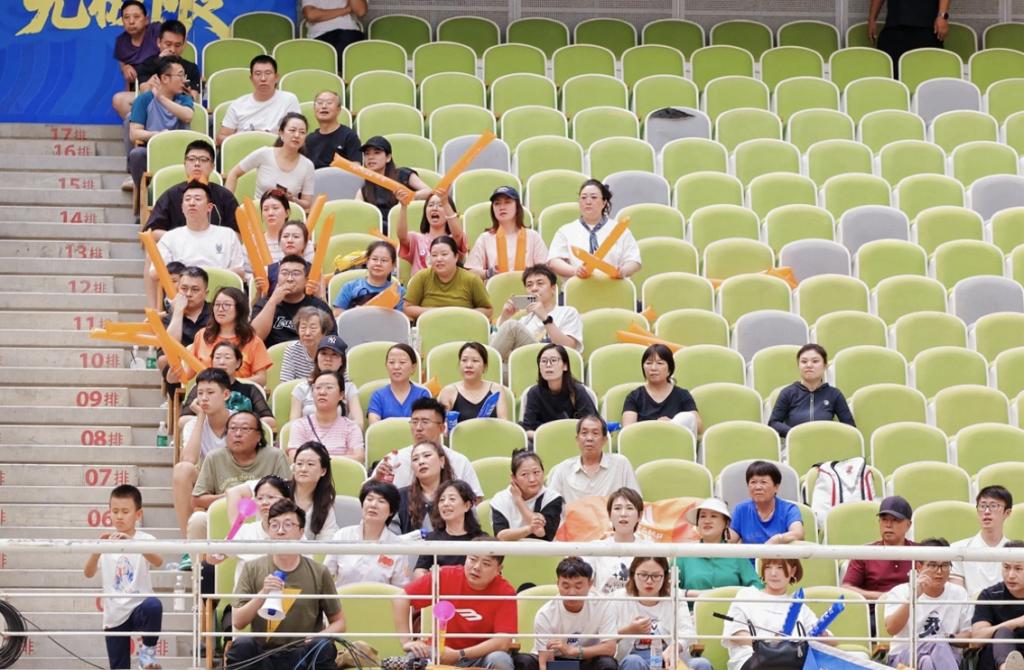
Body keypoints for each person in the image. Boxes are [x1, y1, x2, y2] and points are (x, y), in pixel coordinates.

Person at [228, 499, 345, 670]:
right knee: (242, 645)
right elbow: (238, 622)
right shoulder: (252, 568)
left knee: (323, 646)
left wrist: (319, 636)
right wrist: (263, 593)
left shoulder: (319, 572)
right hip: (263, 654)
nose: (280, 531)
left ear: (301, 531)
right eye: (274, 525)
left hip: (302, 653)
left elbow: (339, 622)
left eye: (288, 525)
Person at [395, 542, 516, 670]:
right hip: (438, 651)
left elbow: (502, 642)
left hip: (481, 655)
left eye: (486, 564)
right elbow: (401, 598)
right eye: (472, 559)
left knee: (500, 660)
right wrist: (406, 642)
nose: (476, 567)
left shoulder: (506, 591)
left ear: (499, 569)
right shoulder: (445, 575)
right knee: (413, 657)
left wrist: (459, 654)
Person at [83, 484, 164, 670]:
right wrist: (97, 550)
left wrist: (133, 544)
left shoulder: (145, 539)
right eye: (115, 511)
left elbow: (159, 561)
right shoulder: (106, 541)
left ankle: (147, 654)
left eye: (125, 511)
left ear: (138, 514)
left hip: (139, 607)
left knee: (153, 605)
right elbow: (88, 573)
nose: (119, 516)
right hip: (114, 614)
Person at [187, 410, 291, 544]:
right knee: (198, 519)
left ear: (258, 436)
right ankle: (200, 558)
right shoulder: (214, 457)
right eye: (232, 429)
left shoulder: (275, 456)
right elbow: (197, 499)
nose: (237, 434)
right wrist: (230, 498)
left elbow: (289, 494)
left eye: (245, 429)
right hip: (223, 516)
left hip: (267, 518)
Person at [150, 180, 244, 309]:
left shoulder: (228, 235)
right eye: (187, 199)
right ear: (182, 208)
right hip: (182, 302)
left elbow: (239, 272)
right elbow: (155, 273)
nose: (192, 203)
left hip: (219, 302)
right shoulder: (170, 237)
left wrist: (211, 278)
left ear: (209, 207)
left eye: (198, 199)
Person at [724, 558, 832, 670]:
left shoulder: (798, 605)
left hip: (791, 664)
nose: (773, 573)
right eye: (768, 567)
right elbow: (736, 634)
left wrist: (822, 636)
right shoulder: (746, 595)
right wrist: (770, 644)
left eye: (780, 568)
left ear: (793, 571)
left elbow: (831, 641)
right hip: (753, 662)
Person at [883, 538, 973, 669]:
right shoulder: (901, 591)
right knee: (936, 643)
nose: (939, 571)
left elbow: (968, 636)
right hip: (904, 654)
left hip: (948, 656)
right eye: (932, 565)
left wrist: (946, 638)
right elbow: (891, 629)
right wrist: (913, 596)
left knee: (927, 661)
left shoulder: (959, 593)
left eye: (945, 565)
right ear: (919, 567)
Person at [226, 441, 339, 542]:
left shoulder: (324, 505)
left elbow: (327, 544)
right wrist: (238, 533)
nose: (303, 469)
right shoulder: (275, 486)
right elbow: (233, 492)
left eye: (310, 464)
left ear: (323, 471)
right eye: (299, 464)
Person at [370, 398, 484, 497]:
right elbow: (368, 495)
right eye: (414, 422)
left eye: (425, 422)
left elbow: (475, 499)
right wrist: (377, 479)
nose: (418, 428)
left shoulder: (459, 461)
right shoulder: (394, 459)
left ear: (442, 428)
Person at [521, 557, 618, 670]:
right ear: (557, 584)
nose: (572, 593)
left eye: (578, 586)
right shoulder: (545, 614)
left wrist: (573, 651)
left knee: (607, 663)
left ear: (590, 584)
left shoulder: (604, 605)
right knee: (523, 661)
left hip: (587, 658)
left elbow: (610, 648)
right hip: (555, 661)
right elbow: (545, 663)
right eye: (566, 586)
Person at [172, 368, 235, 542]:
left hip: (236, 478)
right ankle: (189, 543)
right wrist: (200, 417)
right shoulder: (193, 424)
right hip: (207, 481)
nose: (204, 398)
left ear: (226, 394)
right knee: (182, 470)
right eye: (200, 393)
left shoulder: (240, 421)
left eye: (210, 392)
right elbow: (188, 460)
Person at [616, 557, 711, 670]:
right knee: (633, 661)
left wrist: (675, 647)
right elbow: (605, 637)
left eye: (656, 576)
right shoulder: (619, 598)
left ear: (665, 577)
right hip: (637, 661)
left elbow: (688, 632)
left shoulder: (675, 596)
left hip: (671, 660)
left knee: (702, 664)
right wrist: (629, 630)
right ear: (632, 574)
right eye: (643, 575)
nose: (649, 581)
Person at [143, 140, 239, 240]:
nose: (197, 164)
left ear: (212, 167)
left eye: (203, 160)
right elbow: (151, 232)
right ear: (185, 164)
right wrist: (183, 239)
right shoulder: (171, 195)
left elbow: (239, 234)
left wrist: (210, 239)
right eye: (191, 159)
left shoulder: (225, 196)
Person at [548, 179, 641, 280]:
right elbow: (554, 261)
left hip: (613, 286)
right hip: (577, 287)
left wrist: (624, 271)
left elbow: (634, 261)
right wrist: (575, 271)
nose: (588, 202)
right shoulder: (565, 230)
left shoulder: (620, 230)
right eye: (583, 197)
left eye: (594, 197)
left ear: (604, 202)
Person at [207, 474, 293, 584]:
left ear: (287, 501)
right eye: (260, 498)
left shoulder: (296, 532)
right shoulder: (244, 532)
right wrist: (217, 553)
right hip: (246, 594)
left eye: (271, 497)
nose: (264, 502)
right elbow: (212, 559)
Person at [126, 56, 194, 193]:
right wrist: (158, 135)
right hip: (153, 151)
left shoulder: (184, 99)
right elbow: (134, 133)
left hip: (181, 152)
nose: (184, 80)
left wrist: (161, 98)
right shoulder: (144, 99)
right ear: (164, 78)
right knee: (137, 154)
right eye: (180, 75)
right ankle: (144, 196)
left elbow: (187, 116)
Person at [325, 480, 410, 588]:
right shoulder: (342, 536)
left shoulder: (397, 546)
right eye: (369, 499)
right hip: (343, 598)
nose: (373, 505)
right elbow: (326, 576)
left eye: (381, 501)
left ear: (391, 512)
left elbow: (401, 589)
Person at [112, 15, 193, 125]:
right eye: (168, 44)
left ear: (184, 45)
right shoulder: (149, 64)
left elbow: (193, 98)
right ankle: (143, 126)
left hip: (177, 109)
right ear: (159, 42)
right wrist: (160, 64)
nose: (172, 50)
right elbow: (143, 90)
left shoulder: (191, 68)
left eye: (177, 45)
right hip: (152, 107)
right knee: (122, 103)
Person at [677, 498, 762, 600]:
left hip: (732, 609)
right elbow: (667, 588)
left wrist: (732, 595)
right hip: (691, 610)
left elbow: (757, 587)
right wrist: (690, 593)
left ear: (726, 523)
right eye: (702, 516)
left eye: (713, 516)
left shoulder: (736, 554)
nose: (707, 521)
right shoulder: (684, 553)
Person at [187, 286, 273, 387]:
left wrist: (232, 382)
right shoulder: (202, 335)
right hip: (207, 393)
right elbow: (187, 374)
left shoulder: (252, 340)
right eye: (217, 304)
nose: (220, 309)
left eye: (226, 305)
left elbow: (261, 379)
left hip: (240, 393)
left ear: (239, 309)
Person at [226, 112, 315, 209]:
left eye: (302, 132)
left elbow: (307, 203)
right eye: (292, 130)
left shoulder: (308, 165)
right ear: (281, 133)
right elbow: (233, 173)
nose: (297, 135)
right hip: (259, 212)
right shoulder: (264, 153)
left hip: (288, 214)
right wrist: (228, 206)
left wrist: (293, 200)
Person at [492, 264, 582, 360]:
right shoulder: (524, 320)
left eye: (540, 283)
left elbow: (569, 349)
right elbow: (501, 349)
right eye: (529, 285)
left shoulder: (568, 312)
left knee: (511, 325)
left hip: (554, 362)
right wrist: (504, 317)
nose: (534, 288)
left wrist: (545, 317)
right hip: (526, 364)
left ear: (553, 289)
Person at [546, 415, 641, 505]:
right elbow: (549, 505)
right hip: (575, 517)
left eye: (595, 433)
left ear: (604, 440)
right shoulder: (563, 469)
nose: (589, 438)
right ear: (577, 439)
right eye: (584, 433)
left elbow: (636, 502)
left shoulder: (621, 464)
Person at [179, 343, 275, 430]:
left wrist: (239, 424)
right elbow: (183, 421)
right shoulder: (201, 388)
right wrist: (210, 421)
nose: (222, 362)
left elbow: (269, 420)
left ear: (238, 363)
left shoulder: (250, 389)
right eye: (217, 357)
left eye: (227, 357)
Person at [768, 344, 855, 438]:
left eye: (815, 361)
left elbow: (850, 427)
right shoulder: (788, 393)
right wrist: (794, 433)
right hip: (796, 443)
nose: (809, 365)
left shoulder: (834, 394)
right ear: (798, 365)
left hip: (826, 443)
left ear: (825, 365)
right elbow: (773, 423)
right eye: (804, 361)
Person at [251, 254, 336, 348]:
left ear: (306, 280)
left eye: (296, 274)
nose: (289, 279)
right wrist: (273, 301)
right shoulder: (264, 304)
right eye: (284, 273)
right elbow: (255, 338)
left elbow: (332, 343)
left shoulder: (319, 307)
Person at [842, 495, 917, 601]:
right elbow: (846, 589)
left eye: (895, 520)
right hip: (875, 609)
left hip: (913, 609)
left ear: (908, 525)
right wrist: (882, 597)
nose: (888, 525)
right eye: (884, 519)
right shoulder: (864, 553)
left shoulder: (921, 553)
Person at [467, 186, 548, 279]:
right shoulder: (485, 238)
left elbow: (545, 271)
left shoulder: (533, 236)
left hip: (527, 287)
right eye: (497, 203)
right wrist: (488, 273)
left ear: (517, 207)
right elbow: (470, 273)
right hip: (496, 287)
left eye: (507, 202)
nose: (502, 207)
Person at [403, 236, 492, 320]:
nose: (439, 259)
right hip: (430, 327)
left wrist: (460, 315)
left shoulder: (472, 280)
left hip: (462, 328)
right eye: (434, 255)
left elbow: (488, 310)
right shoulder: (421, 277)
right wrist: (436, 313)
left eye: (444, 254)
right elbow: (407, 307)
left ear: (456, 257)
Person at [520, 344, 598, 440]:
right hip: (544, 442)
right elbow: (527, 428)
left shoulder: (578, 392)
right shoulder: (534, 393)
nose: (548, 365)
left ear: (565, 366)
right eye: (543, 361)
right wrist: (549, 438)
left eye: (553, 360)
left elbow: (591, 425)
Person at [218, 54, 301, 143]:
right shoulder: (238, 104)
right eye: (258, 74)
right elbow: (220, 138)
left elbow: (296, 134)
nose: (263, 78)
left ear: (276, 77)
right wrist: (246, 138)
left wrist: (265, 138)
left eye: (268, 73)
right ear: (251, 78)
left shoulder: (289, 100)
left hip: (277, 149)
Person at [621, 343, 702, 434]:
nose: (653, 368)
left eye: (660, 363)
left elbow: (698, 427)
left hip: (675, 440)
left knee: (687, 417)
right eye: (648, 363)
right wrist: (657, 426)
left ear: (669, 370)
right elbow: (627, 431)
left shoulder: (682, 395)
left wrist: (673, 424)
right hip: (645, 440)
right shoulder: (634, 396)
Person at [286, 370, 364, 462]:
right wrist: (340, 458)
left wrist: (315, 459)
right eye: (318, 388)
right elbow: (295, 458)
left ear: (341, 395)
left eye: (329, 387)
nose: (322, 392)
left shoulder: (351, 427)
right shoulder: (300, 425)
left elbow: (359, 457)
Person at [970, 540, 1024, 670]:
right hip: (994, 662)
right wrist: (1017, 622)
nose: (1011, 575)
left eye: (1018, 568)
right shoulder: (989, 595)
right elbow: (976, 640)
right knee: (1003, 632)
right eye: (1006, 567)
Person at [413, 479, 486, 575]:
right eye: (442, 500)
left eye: (452, 499)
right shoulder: (432, 538)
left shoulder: (481, 539)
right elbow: (419, 570)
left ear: (467, 505)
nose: (445, 504)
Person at [584, 487, 649, 595]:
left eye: (629, 508)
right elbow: (583, 583)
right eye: (617, 508)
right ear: (609, 514)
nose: (623, 514)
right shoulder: (595, 548)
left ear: (640, 515)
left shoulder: (651, 549)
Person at [289, 334, 363, 427]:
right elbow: (293, 424)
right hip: (307, 434)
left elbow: (359, 423)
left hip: (340, 434)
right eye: (323, 353)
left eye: (334, 354)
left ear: (342, 361)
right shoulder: (301, 388)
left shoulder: (349, 388)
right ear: (317, 358)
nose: (328, 359)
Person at [356, 136, 431, 225]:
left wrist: (411, 197)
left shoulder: (403, 174)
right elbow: (357, 210)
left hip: (405, 225)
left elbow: (429, 191)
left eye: (377, 153)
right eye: (367, 154)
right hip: (378, 229)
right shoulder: (365, 188)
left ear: (388, 157)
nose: (370, 157)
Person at [491, 449, 563, 542]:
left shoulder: (552, 498)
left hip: (543, 550)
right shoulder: (500, 499)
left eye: (536, 472)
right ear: (514, 478)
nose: (532, 479)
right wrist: (529, 529)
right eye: (524, 474)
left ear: (543, 472)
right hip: (509, 551)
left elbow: (542, 534)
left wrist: (519, 501)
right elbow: (501, 536)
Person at [952, 486, 1013, 595]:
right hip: (970, 606)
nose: (987, 511)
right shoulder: (957, 549)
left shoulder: (1016, 552)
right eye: (982, 506)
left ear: (1007, 513)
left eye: (993, 506)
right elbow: (957, 596)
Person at [729, 460, 804, 545]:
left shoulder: (789, 510)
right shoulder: (741, 510)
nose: (757, 487)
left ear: (776, 487)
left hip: (779, 553)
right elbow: (729, 541)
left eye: (763, 482)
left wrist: (778, 539)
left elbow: (798, 533)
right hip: (751, 554)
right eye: (753, 482)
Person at [159, 266, 211, 384]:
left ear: (206, 293)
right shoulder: (169, 318)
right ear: (178, 290)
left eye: (195, 290)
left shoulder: (216, 313)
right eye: (184, 289)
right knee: (165, 359)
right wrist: (178, 311)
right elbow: (170, 348)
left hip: (210, 363)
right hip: (181, 368)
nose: (188, 294)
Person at [869, 0, 949, 77]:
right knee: (892, 76)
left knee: (928, 76)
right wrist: (872, 18)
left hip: (927, 27)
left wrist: (942, 16)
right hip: (894, 26)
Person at [397, 190, 468, 275]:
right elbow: (402, 237)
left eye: (440, 205)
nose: (434, 208)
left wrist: (445, 203)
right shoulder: (416, 238)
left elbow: (457, 235)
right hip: (421, 283)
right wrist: (403, 206)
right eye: (430, 205)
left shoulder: (453, 239)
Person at [394, 441, 455, 535]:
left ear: (442, 461)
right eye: (415, 459)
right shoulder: (399, 497)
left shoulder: (460, 493)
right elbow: (392, 539)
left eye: (427, 455)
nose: (421, 462)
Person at [438, 342, 508, 422]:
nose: (469, 365)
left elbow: (504, 423)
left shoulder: (496, 390)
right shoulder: (448, 392)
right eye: (464, 360)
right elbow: (441, 424)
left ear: (485, 366)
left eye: (475, 361)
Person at [332, 240, 406, 316]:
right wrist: (355, 313)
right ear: (367, 262)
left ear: (393, 266)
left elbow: (401, 318)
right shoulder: (349, 287)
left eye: (384, 260)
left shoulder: (399, 291)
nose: (378, 264)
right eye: (374, 259)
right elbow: (337, 313)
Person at [111, 1, 161, 113]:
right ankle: (137, 122)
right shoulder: (121, 42)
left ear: (146, 19)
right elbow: (127, 77)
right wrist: (125, 68)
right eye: (126, 17)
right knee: (118, 100)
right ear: (122, 21)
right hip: (141, 90)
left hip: (163, 88)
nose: (131, 21)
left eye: (136, 17)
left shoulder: (157, 30)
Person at [367, 343, 432, 423]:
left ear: (413, 367)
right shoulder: (378, 396)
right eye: (391, 362)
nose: (396, 367)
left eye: (402, 362)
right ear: (386, 366)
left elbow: (425, 425)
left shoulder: (422, 395)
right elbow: (374, 426)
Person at [302, 0, 367, 72]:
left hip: (349, 34)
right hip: (320, 35)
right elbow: (311, 15)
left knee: (349, 40)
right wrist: (347, 9)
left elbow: (361, 11)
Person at [304, 90, 362, 169]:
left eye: (329, 103)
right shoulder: (309, 139)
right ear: (314, 109)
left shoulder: (349, 136)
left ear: (338, 110)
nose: (324, 106)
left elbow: (356, 168)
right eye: (320, 103)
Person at [279, 306, 335, 383]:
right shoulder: (292, 350)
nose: (307, 333)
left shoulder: (335, 351)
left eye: (313, 328)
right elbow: (285, 384)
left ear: (324, 332)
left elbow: (345, 384)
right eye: (303, 328)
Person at [264, 220, 316, 295]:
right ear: (279, 242)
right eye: (285, 236)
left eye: (296, 236)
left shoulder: (314, 271)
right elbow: (261, 301)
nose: (290, 240)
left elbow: (322, 300)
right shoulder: (267, 271)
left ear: (305, 243)